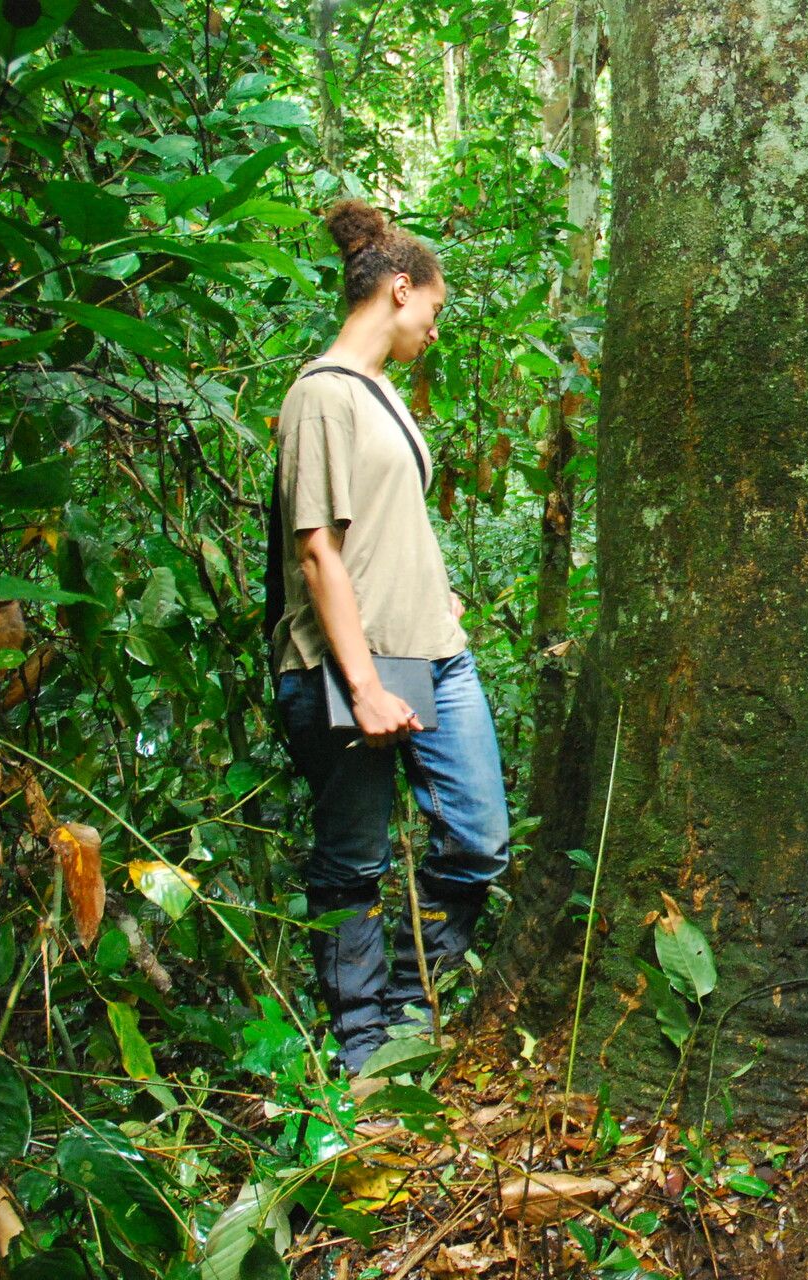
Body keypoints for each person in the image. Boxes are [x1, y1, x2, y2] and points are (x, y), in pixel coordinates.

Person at [270, 201, 511, 1074]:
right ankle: (363, 1052)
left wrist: (435, 587)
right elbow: (317, 552)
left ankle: (413, 1007)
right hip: (349, 668)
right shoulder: (320, 396)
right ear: (400, 290)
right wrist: (366, 683)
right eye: (435, 311)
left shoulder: (381, 398)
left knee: (478, 838)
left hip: (434, 654)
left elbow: (385, 523)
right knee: (352, 863)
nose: (434, 332)